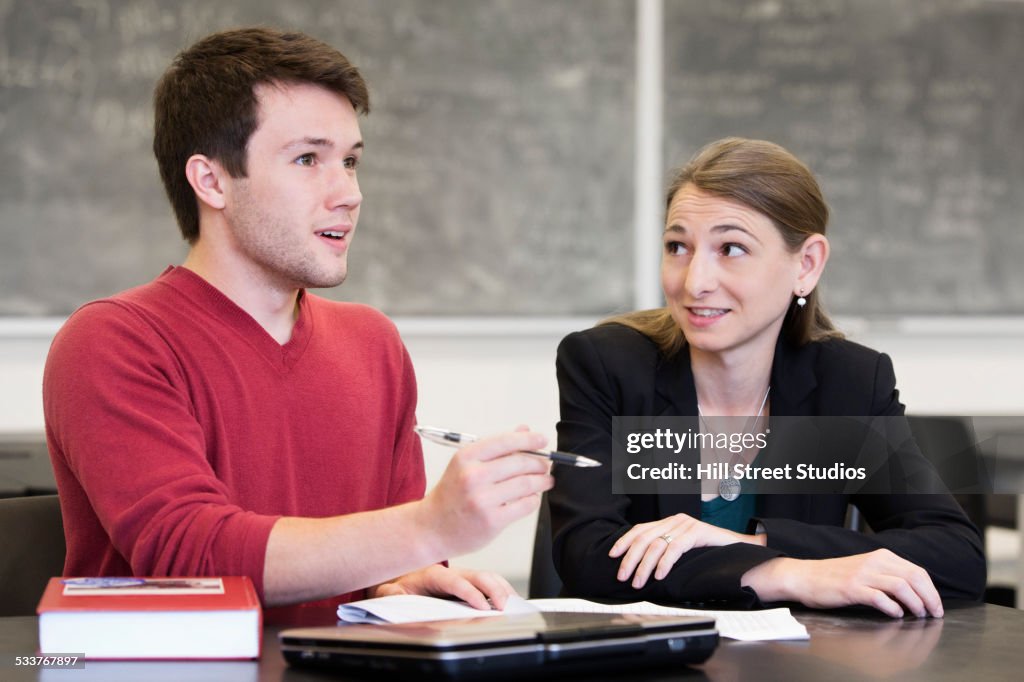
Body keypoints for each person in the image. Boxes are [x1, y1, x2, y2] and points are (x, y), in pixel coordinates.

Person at [42, 27, 553, 621]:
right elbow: (187, 556)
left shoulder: (373, 344)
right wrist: (431, 526)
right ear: (211, 181)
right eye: (308, 159)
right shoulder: (111, 341)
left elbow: (384, 557)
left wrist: (406, 580)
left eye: (351, 161)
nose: (349, 193)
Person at [550, 137, 985, 618]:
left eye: (731, 249)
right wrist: (781, 571)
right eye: (678, 247)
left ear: (806, 264)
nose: (694, 282)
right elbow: (587, 558)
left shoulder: (848, 381)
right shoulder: (609, 365)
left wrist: (747, 540)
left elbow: (956, 557)